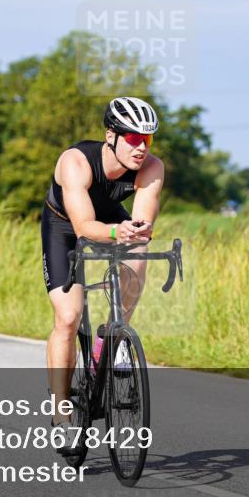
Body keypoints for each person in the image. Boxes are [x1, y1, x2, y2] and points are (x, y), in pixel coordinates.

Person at [41, 96, 165, 454]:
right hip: (64, 227)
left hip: (109, 218)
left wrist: (135, 232)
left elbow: (142, 222)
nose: (141, 148)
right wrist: (115, 233)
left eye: (147, 139)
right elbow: (83, 226)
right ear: (111, 135)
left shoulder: (152, 167)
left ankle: (113, 336)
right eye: (133, 138)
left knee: (139, 249)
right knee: (68, 317)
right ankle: (61, 413)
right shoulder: (75, 162)